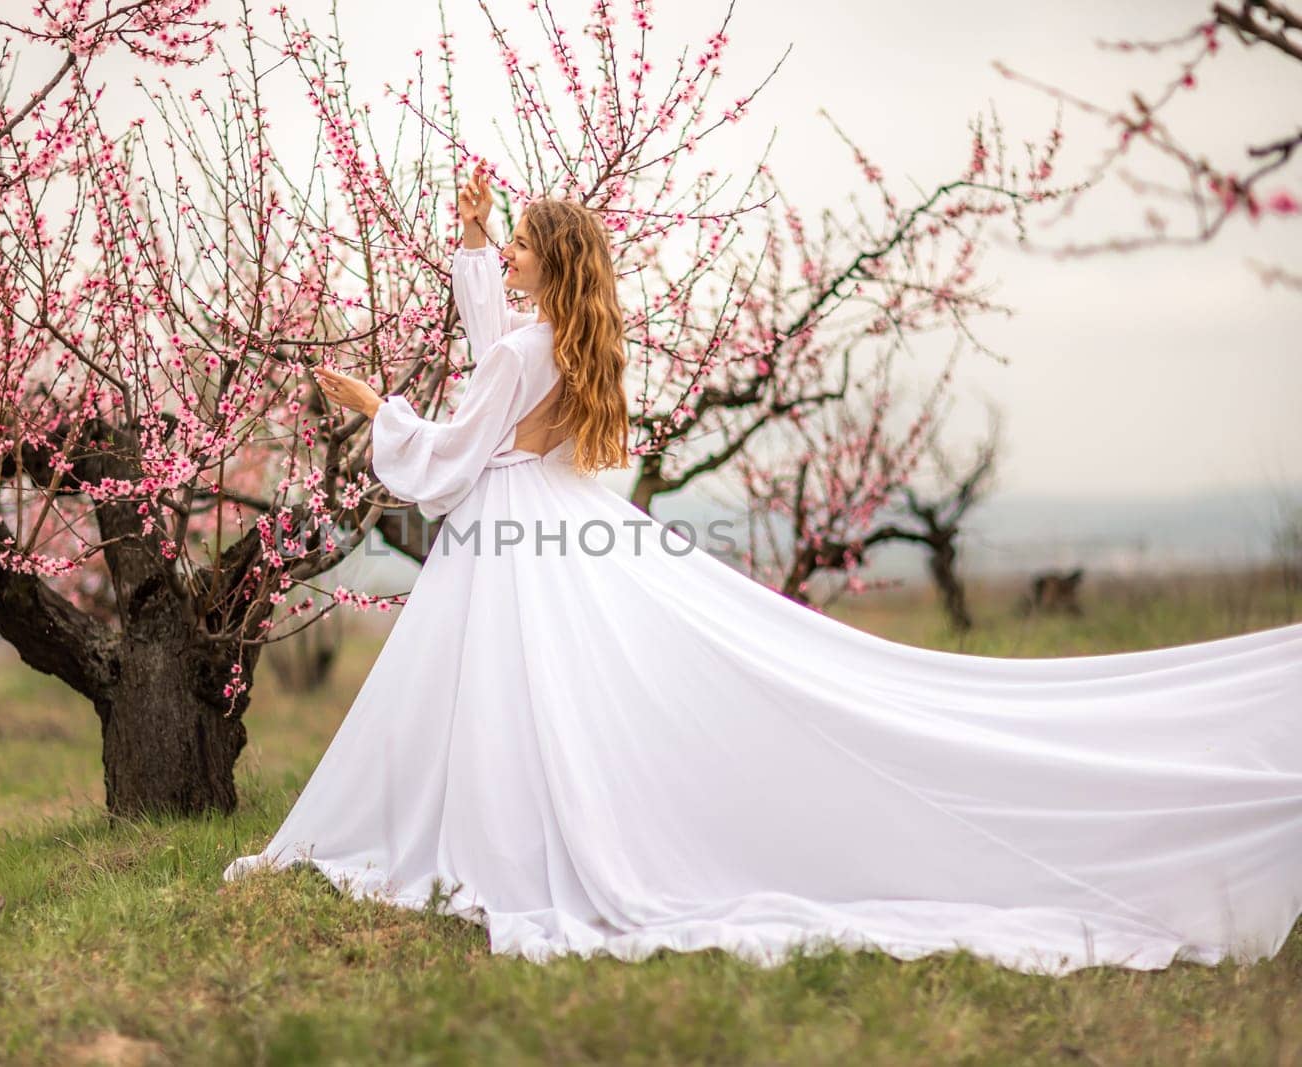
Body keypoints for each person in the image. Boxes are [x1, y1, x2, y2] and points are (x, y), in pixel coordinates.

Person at [226, 165, 1302, 977]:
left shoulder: (523, 348)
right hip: (558, 515)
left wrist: (375, 409)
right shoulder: (563, 337)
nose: (502, 255)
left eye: (512, 247)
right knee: (538, 697)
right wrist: (465, 245)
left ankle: (500, 845)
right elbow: (494, 359)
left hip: (511, 527)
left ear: (548, 264)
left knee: (515, 697)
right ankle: (505, 831)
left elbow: (453, 448)